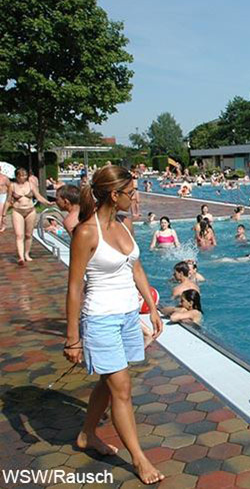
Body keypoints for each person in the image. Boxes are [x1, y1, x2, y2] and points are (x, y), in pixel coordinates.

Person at [64, 165, 164, 484]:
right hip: (100, 319)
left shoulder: (123, 225)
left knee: (109, 382)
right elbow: (74, 287)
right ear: (113, 194)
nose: (135, 197)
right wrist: (72, 338)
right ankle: (139, 459)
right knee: (122, 389)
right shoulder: (86, 232)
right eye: (131, 193)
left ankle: (86, 434)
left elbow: (136, 268)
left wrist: (152, 309)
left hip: (128, 317)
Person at [0, 167, 54, 264]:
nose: (23, 177)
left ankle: (26, 254)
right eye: (21, 176)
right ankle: (21, 257)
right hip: (17, 211)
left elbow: (38, 197)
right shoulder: (12, 186)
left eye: (25, 175)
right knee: (19, 235)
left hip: (30, 211)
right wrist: (4, 215)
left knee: (28, 235)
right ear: (17, 176)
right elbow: (8, 201)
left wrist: (48, 203)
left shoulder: (30, 184)